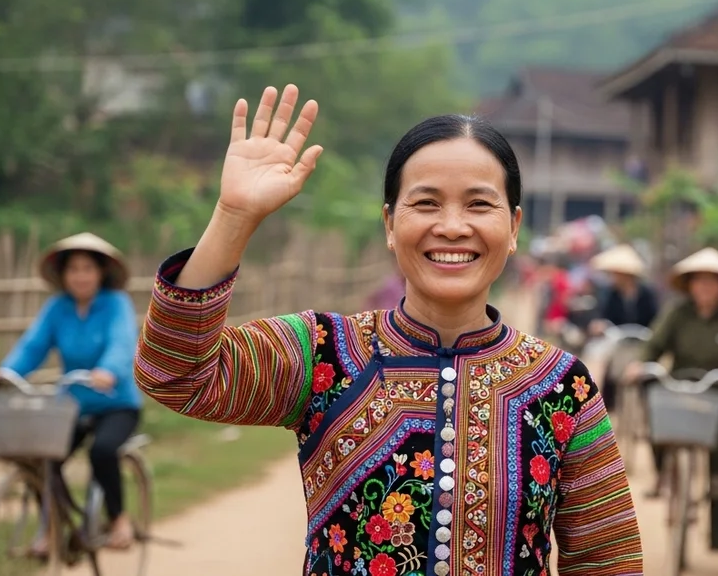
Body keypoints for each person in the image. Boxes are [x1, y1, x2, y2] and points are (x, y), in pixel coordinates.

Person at [133, 85, 643, 575]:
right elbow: (174, 373)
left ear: (512, 228)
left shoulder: (562, 387)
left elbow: (608, 561)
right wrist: (234, 216)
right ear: (389, 224)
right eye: (425, 203)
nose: (451, 226)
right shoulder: (323, 354)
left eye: (479, 204)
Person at [0, 232, 142, 552]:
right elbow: (33, 346)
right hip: (72, 405)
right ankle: (53, 527)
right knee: (44, 460)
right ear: (63, 275)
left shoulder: (116, 304)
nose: (80, 276)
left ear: (101, 273)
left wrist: (108, 371)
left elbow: (121, 342)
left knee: (102, 452)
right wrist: (7, 372)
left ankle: (118, 519)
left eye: (87, 268)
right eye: (73, 269)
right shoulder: (57, 308)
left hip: (118, 404)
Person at [627, 247, 718, 573]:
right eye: (700, 282)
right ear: (691, 285)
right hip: (680, 389)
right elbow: (654, 344)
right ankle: (664, 473)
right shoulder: (677, 313)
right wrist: (641, 364)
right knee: (653, 399)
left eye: (713, 283)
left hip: (717, 394)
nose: (706, 289)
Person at [588, 244, 660, 413]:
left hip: (643, 341)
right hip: (619, 342)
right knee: (610, 370)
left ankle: (650, 412)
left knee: (649, 373)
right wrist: (599, 325)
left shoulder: (647, 294)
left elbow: (656, 320)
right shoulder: (610, 294)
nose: (614, 277)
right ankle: (608, 410)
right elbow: (602, 316)